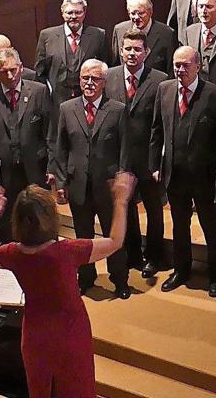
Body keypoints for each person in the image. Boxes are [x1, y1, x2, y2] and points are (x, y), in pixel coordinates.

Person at [0, 173, 136, 398]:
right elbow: (115, 241)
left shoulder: (13, 254)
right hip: (70, 334)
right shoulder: (66, 252)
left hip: (35, 336)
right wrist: (121, 201)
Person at [150, 47, 216, 296]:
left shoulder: (215, 95)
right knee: (179, 225)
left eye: (185, 65)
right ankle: (181, 270)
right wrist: (155, 165)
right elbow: (156, 130)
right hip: (174, 173)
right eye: (176, 65)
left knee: (211, 226)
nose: (180, 70)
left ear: (198, 66)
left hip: (205, 176)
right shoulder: (164, 90)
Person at [52, 59, 129, 298]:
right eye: (85, 77)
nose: (88, 83)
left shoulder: (117, 110)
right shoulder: (67, 108)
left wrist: (121, 180)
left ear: (104, 82)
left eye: (94, 78)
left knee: (112, 237)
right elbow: (60, 148)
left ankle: (120, 280)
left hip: (107, 186)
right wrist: (61, 183)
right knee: (83, 237)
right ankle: (86, 277)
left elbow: (125, 149)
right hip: (78, 186)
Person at [0, 48, 53, 242]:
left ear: (21, 68)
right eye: (4, 71)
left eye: (13, 70)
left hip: (34, 167)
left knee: (41, 219)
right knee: (7, 226)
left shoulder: (38, 92)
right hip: (3, 171)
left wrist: (53, 167)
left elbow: (51, 133)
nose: (10, 75)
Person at [104, 29, 169, 278]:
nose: (132, 54)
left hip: (149, 158)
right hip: (119, 157)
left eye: (137, 49)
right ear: (121, 51)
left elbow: (163, 122)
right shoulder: (108, 77)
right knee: (125, 207)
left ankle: (154, 256)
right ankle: (131, 254)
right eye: (128, 49)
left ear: (147, 52)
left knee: (154, 210)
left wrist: (158, 160)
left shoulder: (160, 80)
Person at [35, 0, 109, 107]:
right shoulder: (47, 36)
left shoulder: (98, 35)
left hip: (90, 101)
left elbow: (107, 67)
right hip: (57, 103)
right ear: (62, 13)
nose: (73, 16)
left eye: (78, 12)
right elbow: (40, 71)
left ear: (84, 13)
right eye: (69, 13)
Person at [110, 0, 178, 74]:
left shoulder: (167, 33)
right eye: (133, 13)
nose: (136, 17)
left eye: (141, 13)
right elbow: (115, 64)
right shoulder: (119, 30)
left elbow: (171, 69)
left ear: (150, 12)